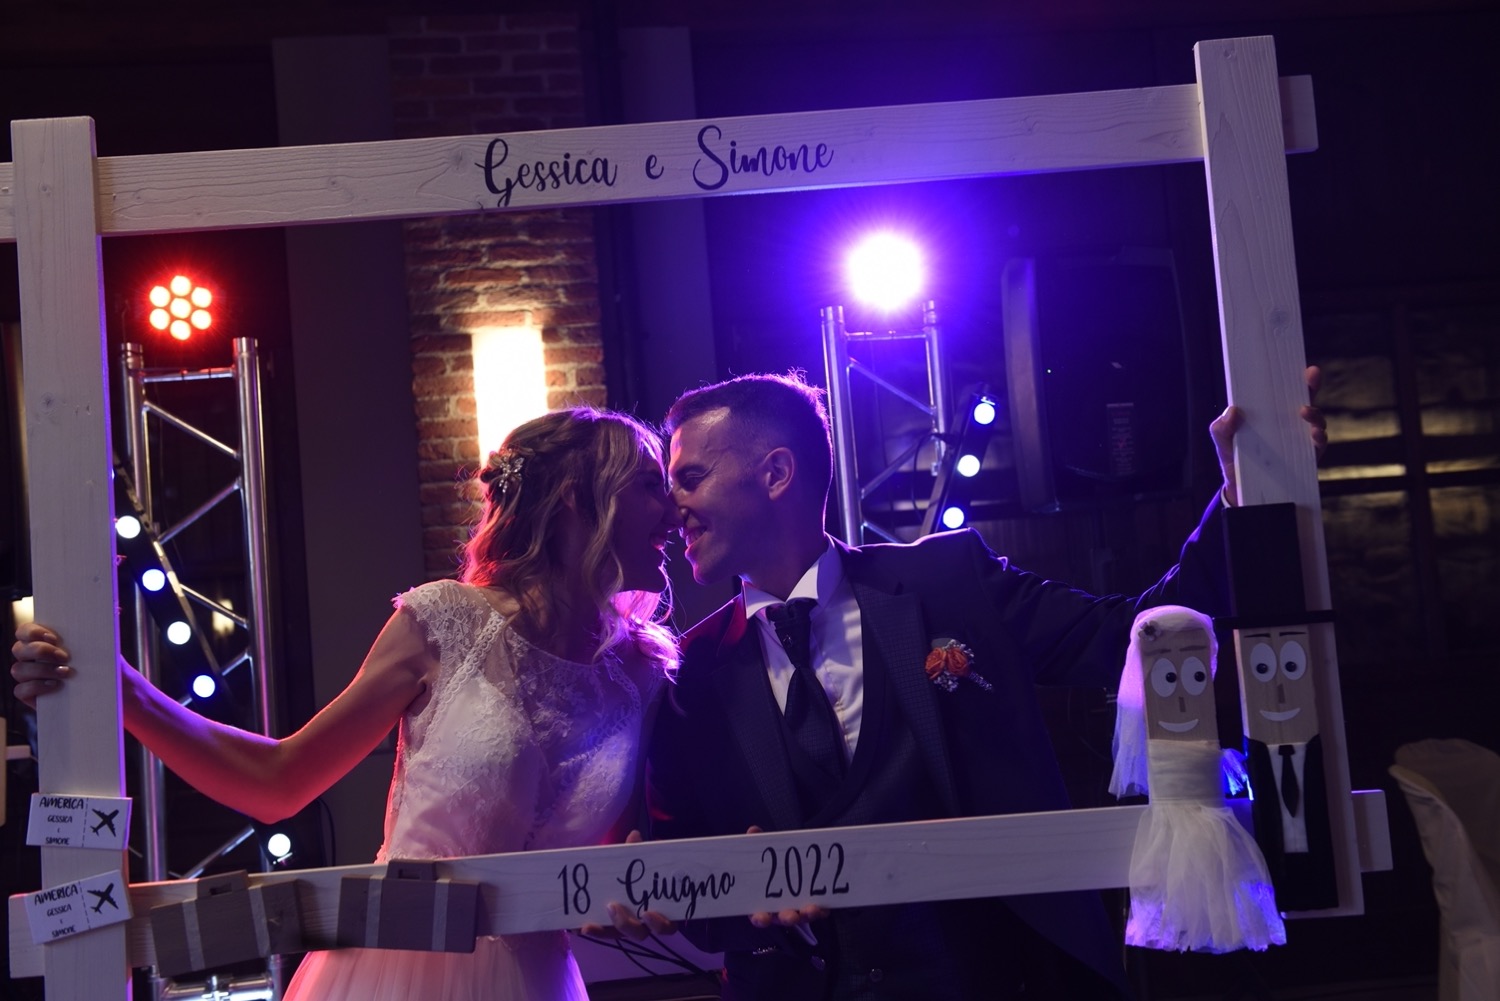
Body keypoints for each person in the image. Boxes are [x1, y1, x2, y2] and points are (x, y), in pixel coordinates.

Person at [643, 370, 1325, 1000]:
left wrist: (1245, 492)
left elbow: (1131, 637)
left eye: (690, 478)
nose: (674, 508)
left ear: (776, 473)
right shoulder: (689, 671)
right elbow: (691, 888)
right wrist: (743, 901)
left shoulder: (951, 581)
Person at [12, 407, 681, 1001]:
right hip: (401, 968)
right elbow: (276, 782)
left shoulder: (641, 670)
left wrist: (623, 893)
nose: (674, 507)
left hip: (540, 977)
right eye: (651, 484)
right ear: (576, 500)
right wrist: (120, 690)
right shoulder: (445, 621)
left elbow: (612, 855)